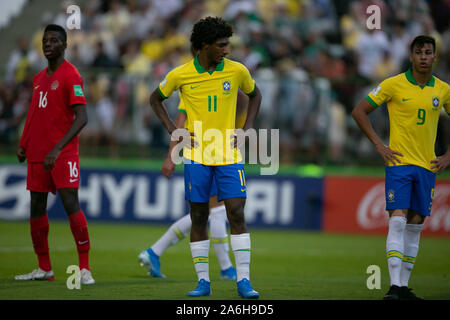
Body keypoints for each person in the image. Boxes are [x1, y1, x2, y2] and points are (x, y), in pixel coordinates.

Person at [149, 16, 262, 298]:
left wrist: (247, 129)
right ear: (204, 46)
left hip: (228, 155)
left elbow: (256, 94)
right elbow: (155, 99)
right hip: (197, 157)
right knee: (198, 217)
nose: (226, 50)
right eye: (221, 45)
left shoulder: (236, 71)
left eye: (228, 44)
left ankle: (244, 281)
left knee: (236, 211)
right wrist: (173, 130)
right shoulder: (181, 74)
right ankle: (203, 282)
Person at [352, 35, 450, 300]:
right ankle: (393, 287)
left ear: (434, 56)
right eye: (419, 52)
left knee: (416, 223)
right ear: (411, 56)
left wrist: (448, 156)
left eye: (428, 52)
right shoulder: (393, 84)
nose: (424, 57)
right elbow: (359, 110)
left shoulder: (442, 89)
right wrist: (379, 145)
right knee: (398, 219)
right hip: (399, 163)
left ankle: (404, 287)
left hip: (427, 166)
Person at [138, 90, 249, 279]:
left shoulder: (213, 81)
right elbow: (180, 123)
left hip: (217, 153)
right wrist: (171, 156)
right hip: (205, 155)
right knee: (216, 210)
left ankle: (154, 251)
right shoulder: (193, 84)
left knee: (204, 212)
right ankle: (226, 268)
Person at [14, 24, 94, 284]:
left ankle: (84, 268)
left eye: (55, 40)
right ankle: (44, 268)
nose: (48, 44)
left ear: (65, 45)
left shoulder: (71, 75)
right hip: (38, 154)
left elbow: (82, 117)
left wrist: (58, 148)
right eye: (46, 40)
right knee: (36, 207)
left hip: (63, 154)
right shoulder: (38, 79)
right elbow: (34, 114)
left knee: (71, 203)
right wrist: (24, 143)